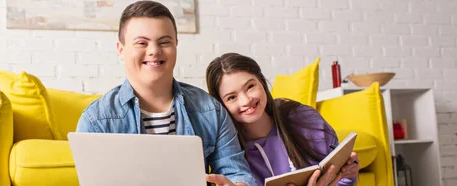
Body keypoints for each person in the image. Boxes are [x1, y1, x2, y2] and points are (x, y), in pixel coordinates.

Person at [75, 1, 256, 186]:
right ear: (121, 50)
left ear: (176, 45)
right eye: (142, 43)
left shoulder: (211, 110)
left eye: (164, 42)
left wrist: (238, 184)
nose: (154, 51)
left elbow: (237, 173)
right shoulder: (96, 120)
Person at [205, 53, 360, 186]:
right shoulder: (228, 152)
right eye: (232, 97)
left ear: (262, 82)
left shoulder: (304, 118)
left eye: (250, 87)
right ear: (221, 105)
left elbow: (341, 179)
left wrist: (348, 174)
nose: (246, 101)